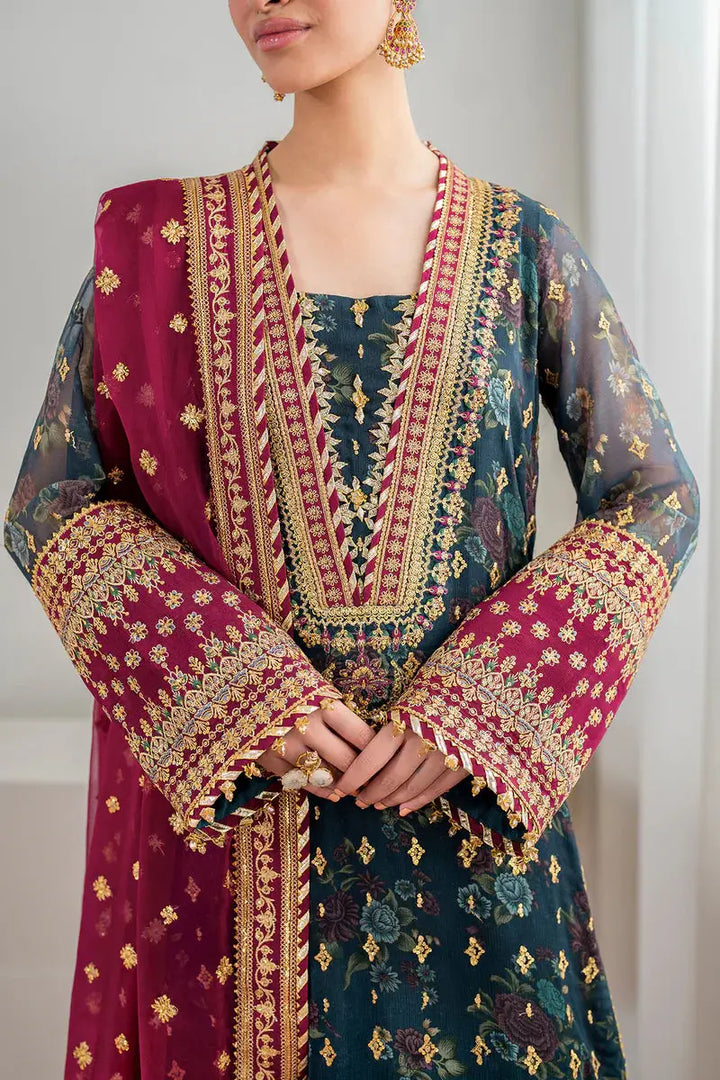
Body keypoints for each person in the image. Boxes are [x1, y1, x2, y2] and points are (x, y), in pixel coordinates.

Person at [4, 1, 700, 1077]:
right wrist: (237, 691)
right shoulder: (153, 249)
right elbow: (54, 501)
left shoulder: (522, 247)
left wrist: (488, 706)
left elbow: (653, 493)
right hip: (233, 859)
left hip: (475, 859)